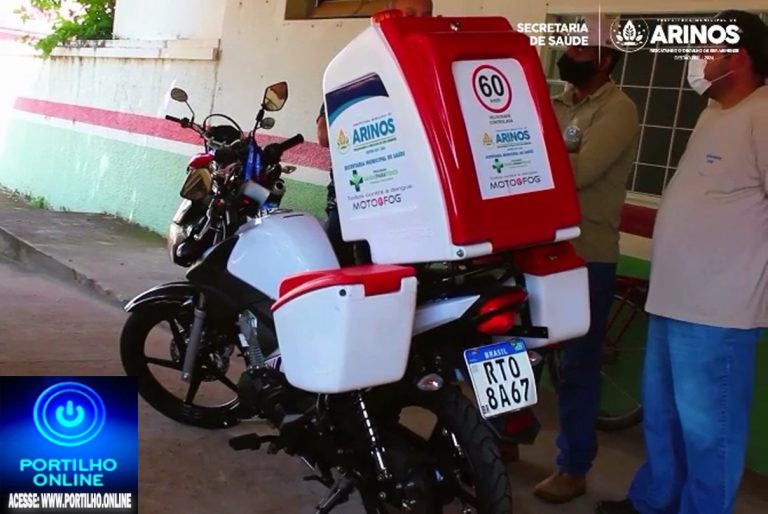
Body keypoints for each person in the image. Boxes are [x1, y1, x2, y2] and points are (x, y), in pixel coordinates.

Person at [596, 10, 768, 514]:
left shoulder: (762, 114)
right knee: (663, 416)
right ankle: (654, 501)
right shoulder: (714, 113)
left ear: (737, 56)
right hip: (673, 298)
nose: (697, 59)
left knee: (710, 432)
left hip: (719, 310)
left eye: (706, 49)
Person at [532, 13, 640, 503]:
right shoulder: (553, 102)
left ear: (606, 59)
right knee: (514, 351)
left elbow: (581, 172)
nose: (568, 56)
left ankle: (573, 467)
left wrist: (531, 159)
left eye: (580, 51)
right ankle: (502, 438)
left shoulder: (618, 110)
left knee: (577, 365)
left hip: (587, 255)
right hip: (536, 247)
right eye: (569, 47)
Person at [316, 0, 433, 265]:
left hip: (410, 197)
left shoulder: (431, 66)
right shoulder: (356, 65)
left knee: (403, 271)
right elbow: (323, 135)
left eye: (426, 15)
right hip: (356, 195)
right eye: (409, 14)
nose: (418, 22)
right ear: (387, 17)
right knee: (337, 262)